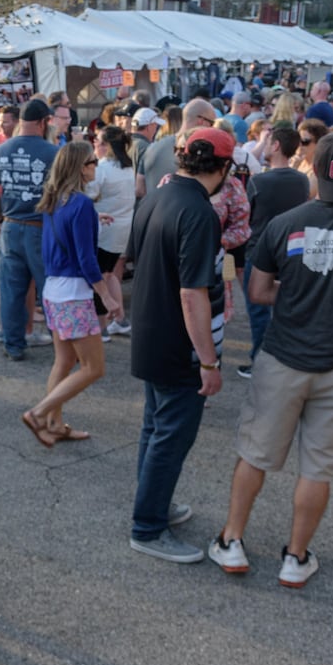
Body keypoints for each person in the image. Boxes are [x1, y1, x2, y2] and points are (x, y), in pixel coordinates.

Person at [209, 133, 333, 587]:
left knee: (255, 454)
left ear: (312, 169)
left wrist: (294, 293)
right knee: (318, 468)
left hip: (281, 358)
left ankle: (232, 540)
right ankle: (295, 557)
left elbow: (257, 292)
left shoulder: (284, 224)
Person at [124, 128, 232, 564]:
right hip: (179, 343)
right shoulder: (199, 212)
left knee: (156, 430)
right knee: (170, 436)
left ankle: (154, 506)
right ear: (223, 167)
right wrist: (209, 360)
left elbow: (133, 259)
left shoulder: (155, 196)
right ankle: (148, 526)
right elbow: (193, 293)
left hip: (150, 332)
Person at [20, 141, 120, 447]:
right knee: (93, 367)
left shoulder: (56, 199)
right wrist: (107, 297)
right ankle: (40, 414)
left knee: (63, 362)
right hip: (73, 294)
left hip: (54, 290)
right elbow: (87, 260)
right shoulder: (81, 205)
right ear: (79, 166)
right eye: (92, 162)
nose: (96, 166)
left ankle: (54, 423)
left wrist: (94, 219)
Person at [0, 98, 59, 361]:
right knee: (51, 289)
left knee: (11, 289)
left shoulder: (0, 150)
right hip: (41, 227)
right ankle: (63, 343)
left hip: (10, 226)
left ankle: (13, 343)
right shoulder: (53, 152)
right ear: (42, 122)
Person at [235, 126, 309, 379]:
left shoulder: (259, 181)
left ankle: (260, 360)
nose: (264, 146)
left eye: (268, 142)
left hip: (259, 254)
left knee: (258, 311)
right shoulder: (302, 180)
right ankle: (283, 358)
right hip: (290, 254)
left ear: (276, 146)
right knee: (286, 308)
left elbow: (246, 216)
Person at [86, 126, 135, 339]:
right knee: (111, 273)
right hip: (122, 227)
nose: (94, 143)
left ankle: (102, 326)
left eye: (97, 140)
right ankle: (120, 319)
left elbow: (88, 194)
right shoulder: (128, 166)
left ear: (106, 145)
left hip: (104, 228)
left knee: (99, 277)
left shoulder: (103, 168)